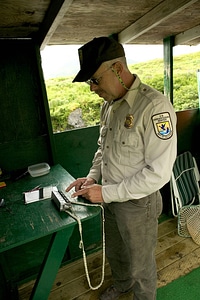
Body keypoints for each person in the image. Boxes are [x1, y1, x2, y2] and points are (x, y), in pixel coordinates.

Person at [66, 36, 177, 300]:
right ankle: (123, 285)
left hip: (138, 204)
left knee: (141, 264)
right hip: (110, 196)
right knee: (116, 251)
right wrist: (93, 179)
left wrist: (105, 193)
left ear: (117, 69)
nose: (92, 88)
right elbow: (102, 149)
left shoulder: (154, 107)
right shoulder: (109, 105)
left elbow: (158, 173)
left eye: (95, 79)